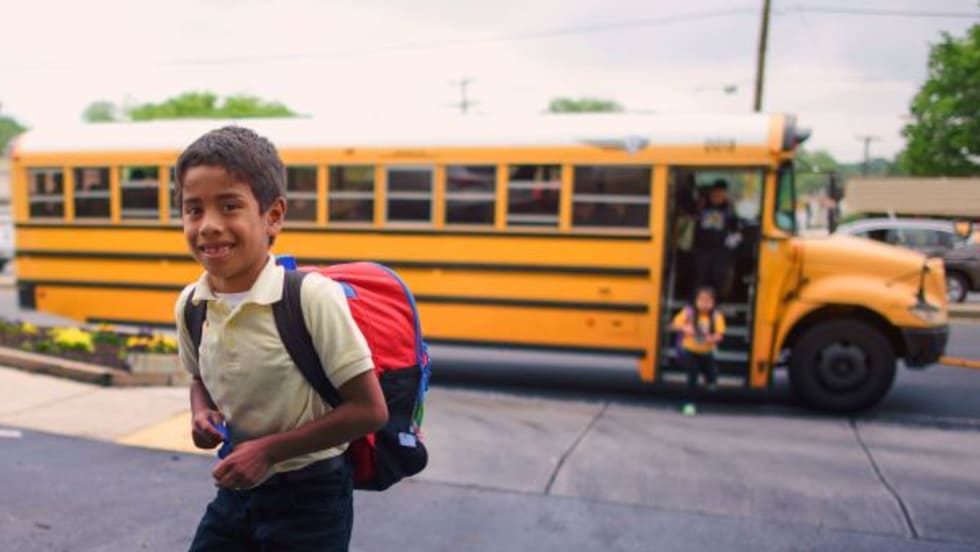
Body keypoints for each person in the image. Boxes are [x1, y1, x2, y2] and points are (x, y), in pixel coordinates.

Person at [174, 126, 388, 551]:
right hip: (235, 489)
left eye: (230, 206)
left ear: (273, 216)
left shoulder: (309, 299)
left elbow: (369, 410)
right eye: (193, 209)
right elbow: (199, 377)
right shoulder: (193, 304)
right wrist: (202, 413)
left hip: (312, 497)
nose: (209, 226)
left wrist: (269, 451)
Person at [672, 286, 726, 416]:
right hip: (690, 351)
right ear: (695, 301)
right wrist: (685, 329)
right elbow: (674, 324)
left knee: (712, 374)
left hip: (707, 352)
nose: (704, 304)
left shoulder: (716, 316)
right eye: (701, 300)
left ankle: (710, 380)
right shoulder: (688, 313)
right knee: (692, 378)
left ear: (713, 303)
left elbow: (720, 335)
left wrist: (711, 338)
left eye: (708, 301)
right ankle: (689, 404)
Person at [693, 179, 741, 302]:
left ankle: (715, 304)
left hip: (721, 250)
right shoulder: (703, 205)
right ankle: (697, 304)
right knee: (701, 277)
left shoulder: (729, 208)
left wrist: (733, 240)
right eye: (716, 193)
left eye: (722, 193)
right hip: (703, 249)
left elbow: (735, 228)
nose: (718, 196)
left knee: (718, 277)